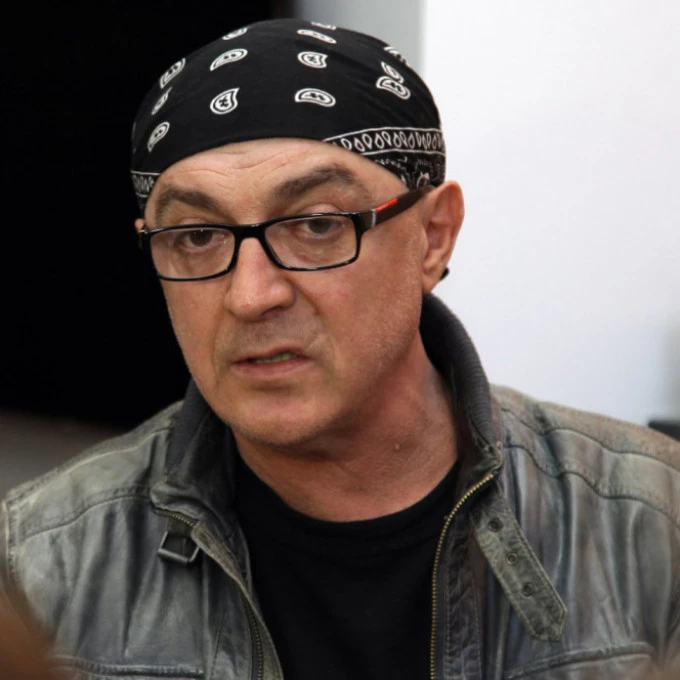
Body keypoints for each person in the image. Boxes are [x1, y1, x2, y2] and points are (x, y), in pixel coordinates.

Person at [1, 17, 679, 680]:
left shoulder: (651, 522)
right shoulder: (41, 564)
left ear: (433, 237)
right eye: (197, 236)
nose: (251, 295)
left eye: (317, 224)